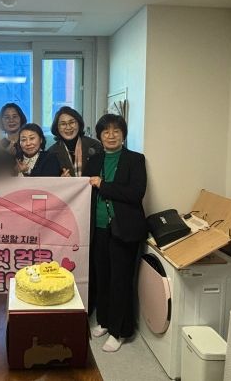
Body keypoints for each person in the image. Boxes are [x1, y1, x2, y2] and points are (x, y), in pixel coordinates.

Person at [84, 113, 147, 353]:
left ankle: (120, 331)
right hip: (99, 228)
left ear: (123, 134)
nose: (111, 135)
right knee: (102, 277)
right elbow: (84, 190)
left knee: (121, 280)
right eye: (106, 131)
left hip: (125, 229)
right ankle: (104, 321)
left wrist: (103, 185)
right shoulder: (94, 160)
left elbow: (135, 194)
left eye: (116, 131)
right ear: (100, 136)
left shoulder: (135, 160)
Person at [48, 106, 102, 177]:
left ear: (79, 124)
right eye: (63, 124)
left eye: (72, 122)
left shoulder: (95, 145)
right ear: (57, 128)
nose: (68, 127)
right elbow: (50, 180)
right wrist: (60, 179)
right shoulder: (51, 152)